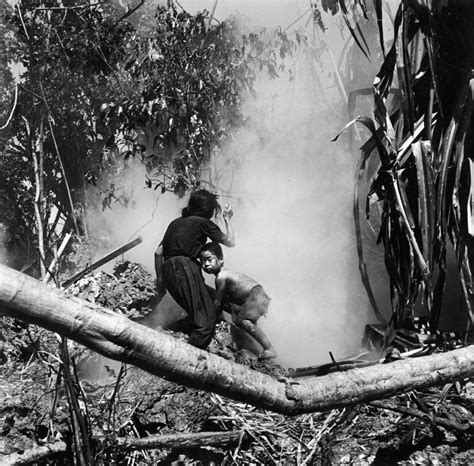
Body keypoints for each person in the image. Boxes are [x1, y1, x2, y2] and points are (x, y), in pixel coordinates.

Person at [154, 189, 235, 349]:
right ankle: (185, 361)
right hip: (184, 268)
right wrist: (227, 219)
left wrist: (161, 282)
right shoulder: (203, 222)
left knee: (211, 303)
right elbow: (230, 241)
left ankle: (168, 332)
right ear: (208, 210)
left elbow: (158, 253)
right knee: (205, 321)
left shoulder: (175, 223)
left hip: (169, 271)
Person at [199, 242, 277, 360]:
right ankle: (250, 339)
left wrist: (210, 320)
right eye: (202, 261)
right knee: (239, 318)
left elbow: (217, 303)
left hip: (255, 295)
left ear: (221, 260)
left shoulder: (221, 277)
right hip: (252, 296)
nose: (206, 264)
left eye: (209, 259)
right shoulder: (224, 275)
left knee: (244, 321)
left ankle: (269, 349)